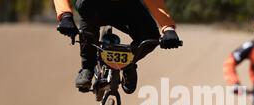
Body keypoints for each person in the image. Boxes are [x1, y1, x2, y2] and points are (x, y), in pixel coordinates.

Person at [54, 0, 182, 94]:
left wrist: (168, 28)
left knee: (151, 37)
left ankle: (129, 63)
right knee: (86, 11)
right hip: (94, 7)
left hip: (126, 7)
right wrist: (65, 15)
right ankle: (87, 67)